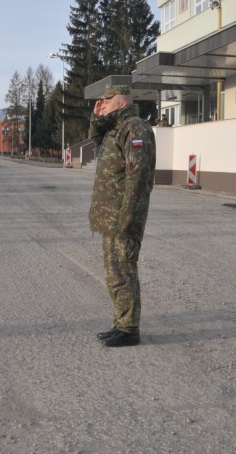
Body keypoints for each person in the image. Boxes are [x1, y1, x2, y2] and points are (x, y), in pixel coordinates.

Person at [88, 85, 156, 348]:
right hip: (111, 217)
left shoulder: (135, 128)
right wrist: (97, 119)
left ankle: (129, 330)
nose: (101, 104)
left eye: (106, 101)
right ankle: (121, 324)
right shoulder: (116, 129)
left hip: (123, 216)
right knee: (114, 273)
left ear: (121, 102)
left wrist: (128, 217)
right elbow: (97, 141)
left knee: (124, 270)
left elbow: (138, 177)